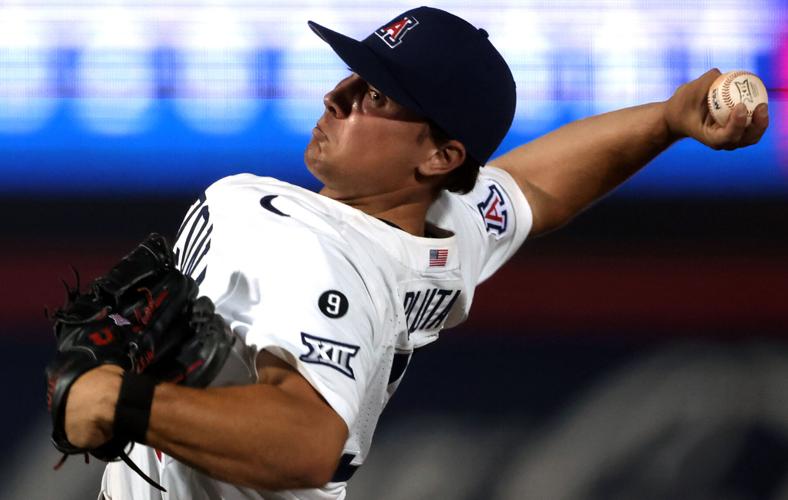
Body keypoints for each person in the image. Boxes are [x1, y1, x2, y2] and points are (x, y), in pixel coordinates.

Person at [61, 6, 769, 500]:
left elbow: (310, 441)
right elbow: (535, 185)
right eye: (353, 75)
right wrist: (669, 118)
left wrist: (126, 404)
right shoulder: (439, 228)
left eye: (378, 95)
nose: (339, 96)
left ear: (439, 153)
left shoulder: (298, 237)